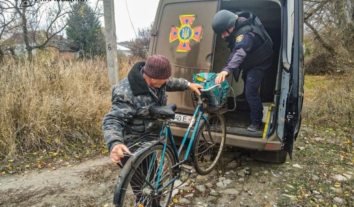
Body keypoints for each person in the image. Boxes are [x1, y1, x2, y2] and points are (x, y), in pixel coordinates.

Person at [102, 54, 203, 206]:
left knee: (155, 185)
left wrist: (188, 84)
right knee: (145, 193)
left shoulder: (159, 81)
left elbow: (171, 82)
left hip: (150, 141)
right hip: (133, 145)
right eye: (162, 81)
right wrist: (115, 143)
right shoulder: (126, 92)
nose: (165, 83)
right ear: (150, 76)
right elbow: (113, 119)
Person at [212, 10, 273, 132]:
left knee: (251, 90)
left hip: (261, 60)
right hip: (251, 58)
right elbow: (235, 52)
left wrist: (226, 71)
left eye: (223, 33)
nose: (223, 36)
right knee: (246, 77)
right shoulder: (235, 23)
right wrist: (226, 69)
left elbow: (239, 53)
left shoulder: (246, 35)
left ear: (230, 27)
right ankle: (245, 95)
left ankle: (257, 122)